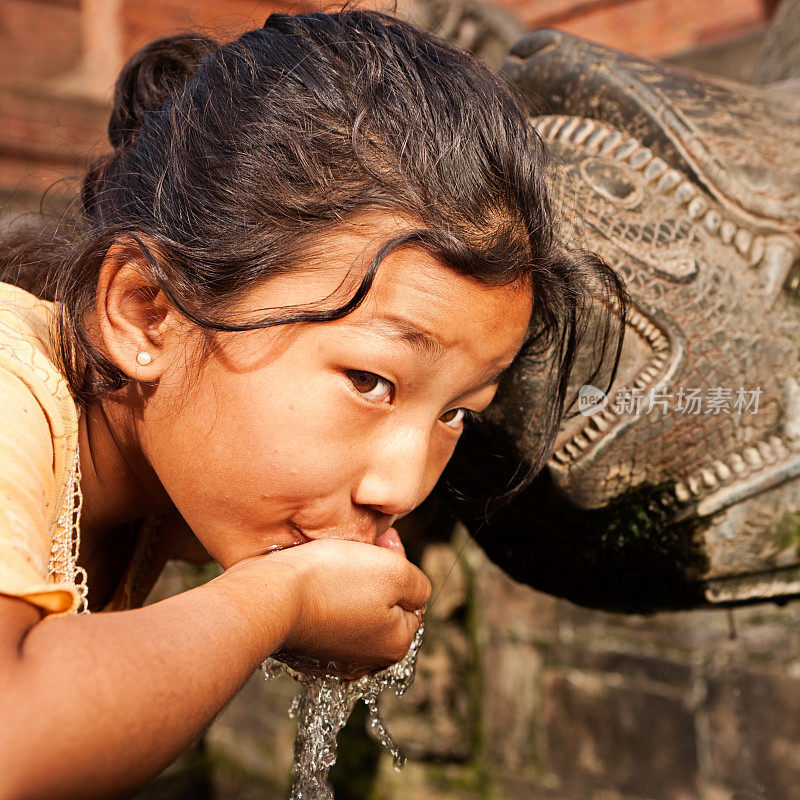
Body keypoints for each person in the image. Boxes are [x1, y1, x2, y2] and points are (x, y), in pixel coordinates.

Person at [0, 5, 626, 797]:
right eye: (370, 381)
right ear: (147, 311)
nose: (401, 488)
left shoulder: (171, 474)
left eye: (456, 413)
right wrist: (279, 600)